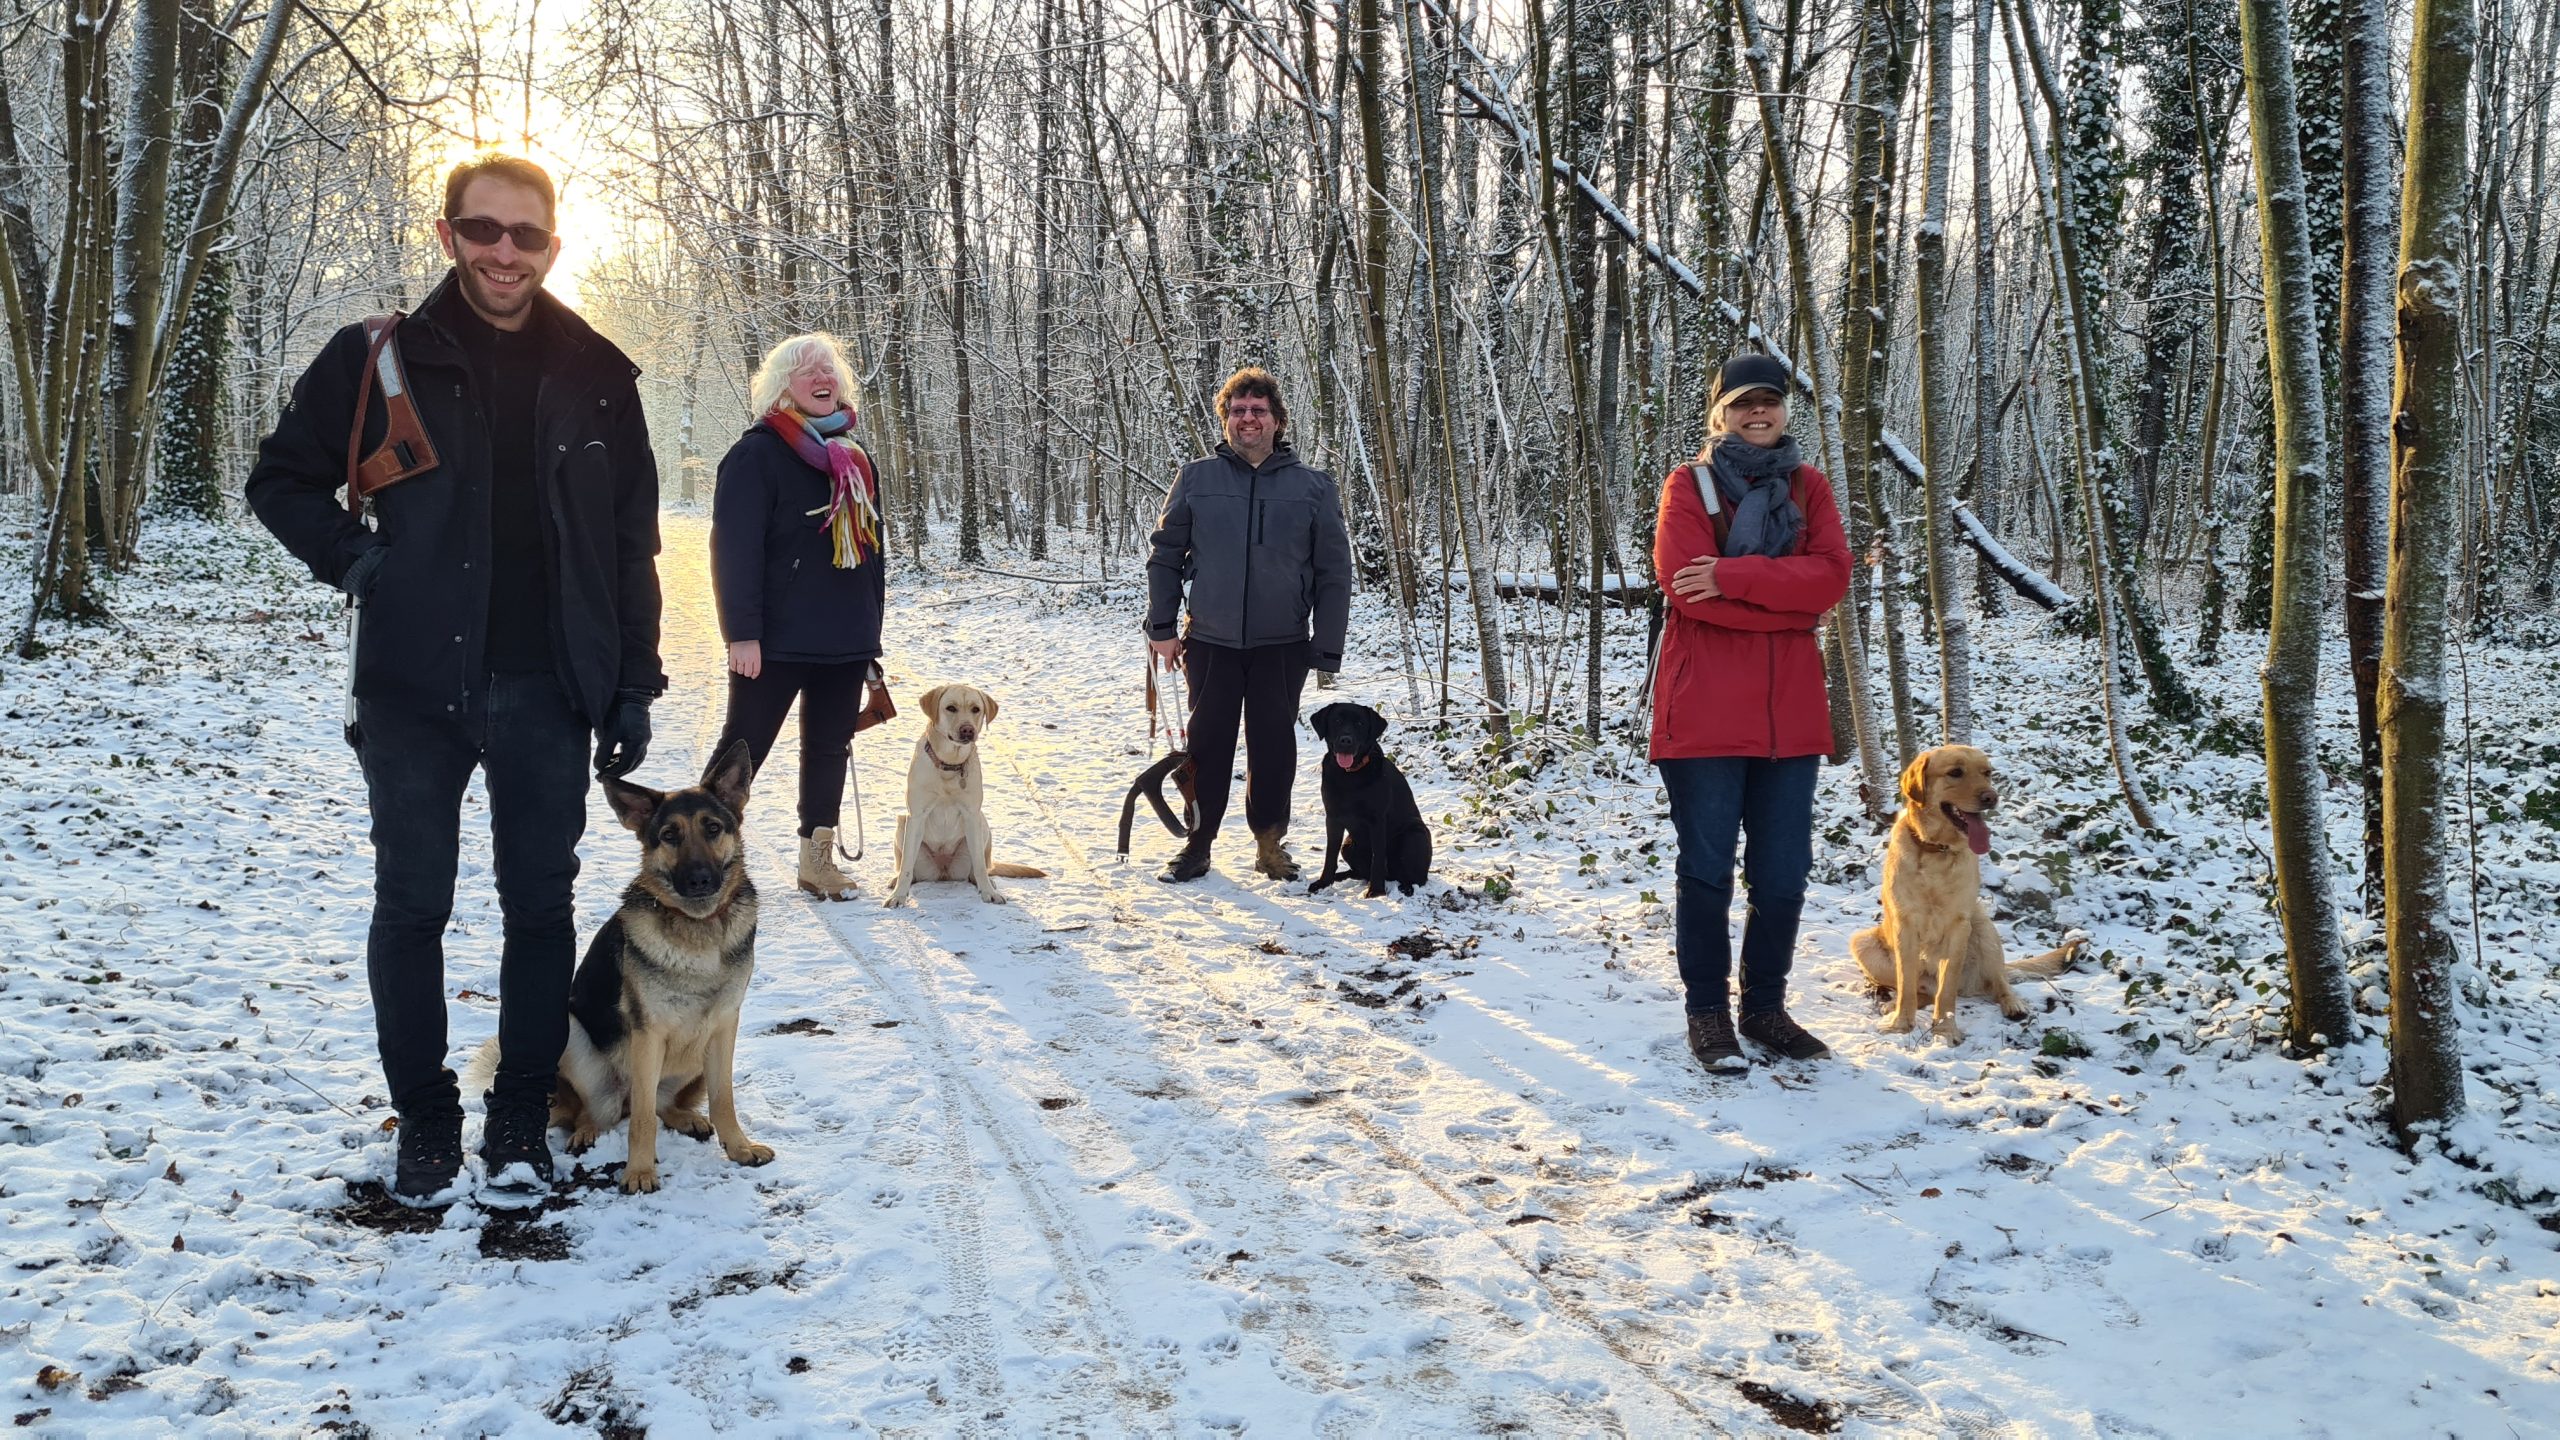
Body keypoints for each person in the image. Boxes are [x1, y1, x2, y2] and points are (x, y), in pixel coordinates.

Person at [246, 154, 665, 1205]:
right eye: (483, 230)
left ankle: (518, 1117)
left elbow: (629, 545)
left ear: (553, 247)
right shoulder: (378, 357)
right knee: (410, 907)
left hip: (549, 687)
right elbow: (281, 480)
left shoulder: (598, 374)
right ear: (447, 235)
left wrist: (632, 683)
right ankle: (426, 1120)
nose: (504, 253)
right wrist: (359, 562)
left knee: (540, 910)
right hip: (410, 687)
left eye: (527, 235)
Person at [1650, 355, 1852, 1070]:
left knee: (1784, 872)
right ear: (1721, 413)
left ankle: (1765, 1008)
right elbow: (1683, 587)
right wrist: (1787, 604)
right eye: (1742, 403)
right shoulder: (1689, 485)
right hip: (1703, 713)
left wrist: (1734, 576)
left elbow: (1831, 578)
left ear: (1785, 410)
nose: (1757, 412)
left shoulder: (1809, 486)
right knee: (1706, 869)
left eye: (1769, 400)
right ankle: (1707, 1012)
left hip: (1789, 718)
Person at [1144, 367, 1353, 884]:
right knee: (1206, 746)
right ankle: (1198, 843)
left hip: (1282, 644)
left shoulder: (1313, 487)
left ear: (1277, 420)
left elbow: (1334, 571)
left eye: (1258, 410)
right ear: (1226, 419)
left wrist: (1327, 647)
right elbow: (1166, 555)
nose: (1248, 419)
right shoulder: (1197, 479)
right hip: (1210, 641)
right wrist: (1161, 627)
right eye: (1238, 410)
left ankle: (1269, 844)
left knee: (1274, 747)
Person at [709, 333, 888, 900]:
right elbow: (734, 549)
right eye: (807, 369)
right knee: (742, 752)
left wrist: (870, 635)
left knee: (829, 749)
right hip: (774, 641)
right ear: (782, 386)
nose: (822, 377)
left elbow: (872, 553)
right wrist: (742, 633)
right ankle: (700, 860)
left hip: (845, 637)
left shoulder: (855, 458)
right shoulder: (755, 455)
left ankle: (817, 861)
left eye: (829, 368)